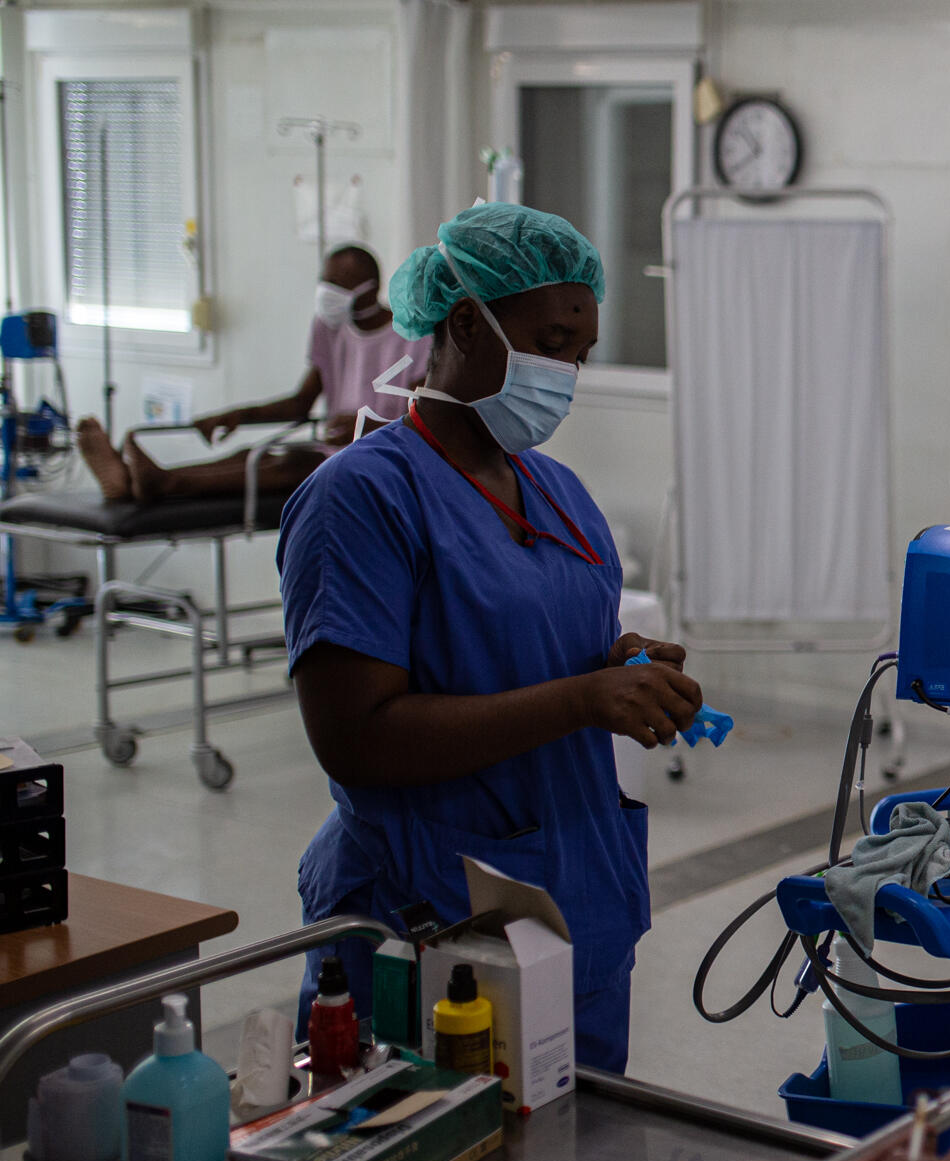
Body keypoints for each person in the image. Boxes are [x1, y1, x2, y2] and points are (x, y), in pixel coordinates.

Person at [276, 203, 704, 1072]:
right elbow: (356, 737)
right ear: (466, 321)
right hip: (426, 909)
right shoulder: (361, 498)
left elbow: (532, 637)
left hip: (574, 893)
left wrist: (619, 664)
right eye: (549, 344)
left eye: (577, 355)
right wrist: (582, 698)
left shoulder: (558, 493)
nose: (565, 374)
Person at [75, 244, 430, 507]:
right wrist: (237, 416)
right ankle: (136, 482)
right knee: (251, 455)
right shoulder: (330, 327)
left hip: (380, 457)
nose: (327, 295)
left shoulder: (415, 337)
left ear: (368, 287)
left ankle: (166, 483)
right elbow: (301, 402)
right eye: (325, 282)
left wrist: (371, 426)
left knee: (293, 463)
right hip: (331, 449)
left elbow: (423, 419)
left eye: (336, 285)